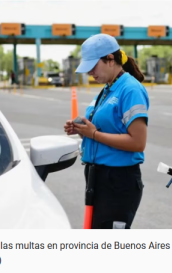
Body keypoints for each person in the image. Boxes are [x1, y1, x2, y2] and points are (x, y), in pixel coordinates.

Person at [64, 34, 149, 229]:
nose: (90, 73)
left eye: (93, 66)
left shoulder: (130, 89)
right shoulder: (108, 88)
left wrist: (93, 134)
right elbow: (103, 130)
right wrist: (81, 130)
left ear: (110, 59)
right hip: (98, 177)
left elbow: (138, 142)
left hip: (118, 181)